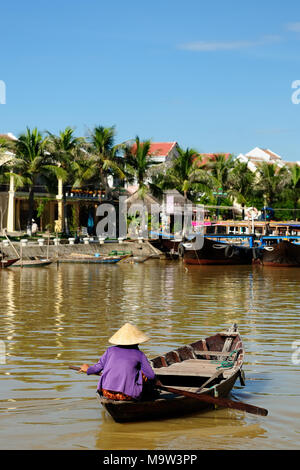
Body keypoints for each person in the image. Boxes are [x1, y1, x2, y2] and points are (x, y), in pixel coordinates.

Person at [79, 323, 160, 401]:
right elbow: (151, 376)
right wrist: (154, 385)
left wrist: (87, 369)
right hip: (128, 395)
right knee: (143, 375)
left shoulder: (110, 351)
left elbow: (96, 368)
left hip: (106, 392)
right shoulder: (139, 354)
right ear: (137, 341)